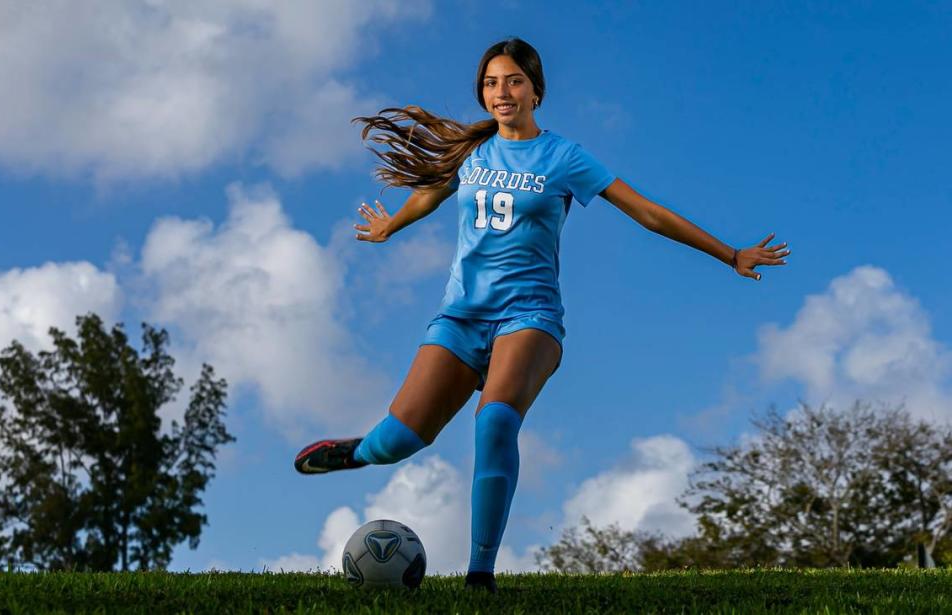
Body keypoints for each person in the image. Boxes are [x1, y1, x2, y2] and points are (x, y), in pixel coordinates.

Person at [294, 37, 790, 592]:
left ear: (536, 90)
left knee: (496, 420)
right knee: (396, 443)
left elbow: (646, 213)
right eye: (490, 83)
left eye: (512, 81)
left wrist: (729, 254)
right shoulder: (470, 154)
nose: (501, 93)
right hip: (459, 318)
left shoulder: (565, 158)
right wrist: (391, 226)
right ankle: (357, 452)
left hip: (529, 318)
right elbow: (428, 197)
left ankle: (480, 577)